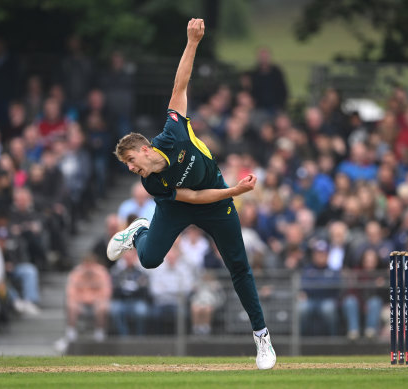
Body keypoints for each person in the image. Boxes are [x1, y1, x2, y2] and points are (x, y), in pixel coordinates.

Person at [106, 19, 276, 370]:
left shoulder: (173, 131)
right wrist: (236, 190)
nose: (130, 168)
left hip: (216, 197)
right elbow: (193, 200)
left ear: (143, 148)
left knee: (239, 267)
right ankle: (139, 231)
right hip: (185, 203)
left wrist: (192, 42)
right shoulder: (151, 183)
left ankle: (262, 339)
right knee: (150, 259)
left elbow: (180, 83)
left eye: (130, 160)